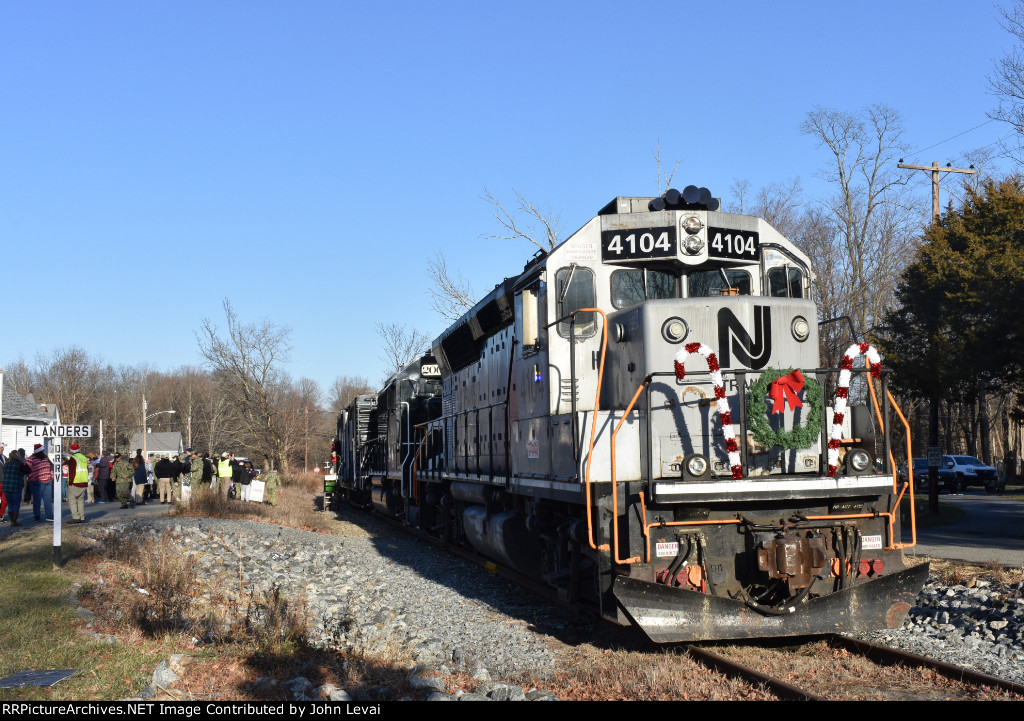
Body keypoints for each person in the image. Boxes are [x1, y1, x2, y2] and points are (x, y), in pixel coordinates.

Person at [25, 443, 54, 522]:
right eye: (43, 450)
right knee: (37, 500)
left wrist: (52, 476)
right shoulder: (31, 459)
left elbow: (50, 467)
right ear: (39, 451)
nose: (44, 451)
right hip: (37, 482)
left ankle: (49, 515)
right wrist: (32, 477)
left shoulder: (45, 458)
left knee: (48, 499)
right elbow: (27, 470)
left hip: (48, 481)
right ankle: (37, 515)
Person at [2, 449, 30, 526]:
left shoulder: (6, 464)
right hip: (16, 486)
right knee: (16, 505)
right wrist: (25, 463)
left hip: (6, 486)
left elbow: (4, 472)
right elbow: (28, 471)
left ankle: (12, 521)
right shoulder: (20, 464)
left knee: (10, 505)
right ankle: (14, 522)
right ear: (17, 456)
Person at [67, 442, 90, 523]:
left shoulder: (73, 458)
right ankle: (82, 517)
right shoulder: (84, 458)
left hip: (75, 482)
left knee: (72, 500)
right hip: (84, 481)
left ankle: (75, 517)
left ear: (72, 450)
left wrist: (70, 482)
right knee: (80, 501)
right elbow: (86, 469)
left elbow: (72, 471)